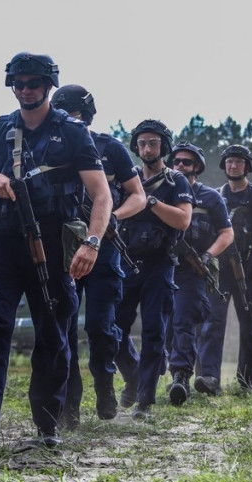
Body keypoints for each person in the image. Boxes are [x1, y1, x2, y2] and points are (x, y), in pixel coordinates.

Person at [0, 52, 111, 449]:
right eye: (19, 84)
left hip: (53, 243)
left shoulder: (74, 133)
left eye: (33, 84)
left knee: (53, 333)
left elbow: (101, 196)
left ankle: (47, 425)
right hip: (2, 240)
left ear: (49, 86)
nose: (26, 90)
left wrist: (92, 244)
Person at [50, 85, 146, 428]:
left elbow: (138, 195)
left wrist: (112, 218)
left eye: (73, 115)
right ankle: (69, 405)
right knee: (63, 328)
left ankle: (106, 384)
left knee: (101, 327)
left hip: (104, 250)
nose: (68, 121)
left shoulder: (110, 147)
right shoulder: (47, 148)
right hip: (62, 249)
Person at [113, 120, 193, 419]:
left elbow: (183, 220)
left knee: (154, 333)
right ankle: (133, 375)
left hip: (160, 264)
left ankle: (145, 401)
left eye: (153, 143)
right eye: (142, 143)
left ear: (164, 147)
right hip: (126, 261)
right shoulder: (127, 178)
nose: (147, 148)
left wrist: (152, 202)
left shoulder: (176, 182)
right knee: (111, 329)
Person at [196, 145, 252, 393]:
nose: (233, 166)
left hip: (249, 271)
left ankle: (246, 380)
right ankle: (209, 378)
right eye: (229, 162)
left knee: (251, 327)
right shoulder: (217, 195)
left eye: (238, 162)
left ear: (247, 167)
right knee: (212, 322)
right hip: (221, 270)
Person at [165, 142, 233, 405]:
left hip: (192, 269)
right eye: (177, 161)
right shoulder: (162, 191)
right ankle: (149, 377)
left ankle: (181, 376)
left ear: (197, 168)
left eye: (187, 162)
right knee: (166, 325)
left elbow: (227, 233)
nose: (180, 165)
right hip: (162, 266)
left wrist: (208, 255)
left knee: (184, 321)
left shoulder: (212, 198)